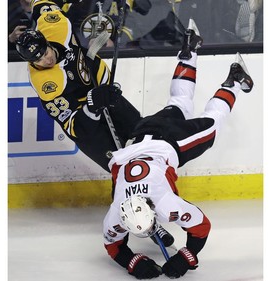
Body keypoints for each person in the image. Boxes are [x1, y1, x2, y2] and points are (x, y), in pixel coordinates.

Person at [101, 20, 254, 279]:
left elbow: (201, 227)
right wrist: (135, 261)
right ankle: (189, 50)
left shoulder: (163, 202)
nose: (148, 232)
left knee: (212, 123)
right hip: (141, 132)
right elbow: (112, 245)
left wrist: (185, 258)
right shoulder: (117, 210)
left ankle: (235, 80)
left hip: (169, 142)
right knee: (180, 102)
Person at [14, 0, 175, 247]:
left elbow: (42, 4)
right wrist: (91, 104)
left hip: (102, 90)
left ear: (46, 40)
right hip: (84, 121)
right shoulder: (48, 83)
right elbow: (74, 122)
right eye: (37, 60)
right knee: (123, 171)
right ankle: (145, 227)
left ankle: (160, 205)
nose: (45, 60)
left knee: (146, 139)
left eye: (45, 52)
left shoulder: (55, 25)